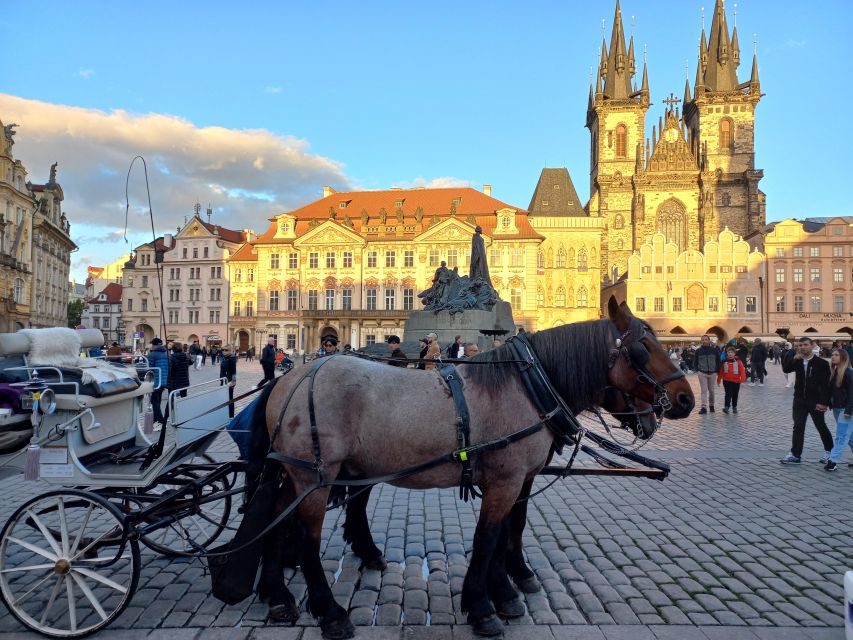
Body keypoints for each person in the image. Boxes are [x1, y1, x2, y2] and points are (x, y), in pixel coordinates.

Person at [780, 337, 834, 464]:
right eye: (800, 345)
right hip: (799, 399)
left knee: (821, 426)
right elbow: (786, 369)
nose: (802, 347)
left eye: (805, 344)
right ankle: (795, 454)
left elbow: (826, 386)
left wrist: (823, 402)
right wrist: (793, 358)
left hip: (815, 400)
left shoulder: (822, 363)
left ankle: (830, 452)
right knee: (798, 426)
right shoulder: (797, 361)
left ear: (812, 346)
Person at [825, 348, 853, 471]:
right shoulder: (835, 372)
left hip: (846, 410)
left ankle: (833, 460)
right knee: (850, 436)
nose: (833, 357)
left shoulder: (849, 372)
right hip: (837, 409)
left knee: (841, 436)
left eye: (836, 355)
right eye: (832, 355)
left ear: (843, 357)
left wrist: (849, 410)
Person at [163, 342, 191, 424]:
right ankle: (183, 417)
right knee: (183, 399)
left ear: (173, 349)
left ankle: (165, 418)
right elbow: (191, 362)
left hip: (174, 382)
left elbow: (170, 369)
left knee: (170, 400)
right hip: (184, 382)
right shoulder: (185, 356)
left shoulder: (172, 358)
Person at [693, 334, 720, 415]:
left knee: (711, 390)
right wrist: (697, 370)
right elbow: (695, 362)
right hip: (702, 373)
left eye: (706, 339)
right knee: (703, 390)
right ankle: (703, 407)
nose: (704, 341)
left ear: (709, 340)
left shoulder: (714, 350)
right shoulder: (698, 351)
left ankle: (711, 405)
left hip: (712, 373)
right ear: (701, 341)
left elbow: (718, 361)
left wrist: (716, 371)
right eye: (703, 339)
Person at [147, 338, 170, 427]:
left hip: (156, 382)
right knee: (157, 399)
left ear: (154, 345)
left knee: (154, 401)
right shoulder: (166, 353)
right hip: (164, 381)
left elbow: (149, 368)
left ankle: (160, 420)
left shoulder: (152, 355)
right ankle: (155, 419)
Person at [717, 346, 746, 414]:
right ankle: (726, 407)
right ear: (727, 353)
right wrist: (718, 380)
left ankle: (734, 407)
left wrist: (743, 381)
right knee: (728, 394)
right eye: (729, 352)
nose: (730, 354)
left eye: (731, 352)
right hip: (727, 381)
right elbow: (721, 372)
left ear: (734, 353)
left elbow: (742, 371)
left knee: (735, 394)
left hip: (736, 382)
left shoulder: (739, 362)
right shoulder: (724, 362)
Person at [219, 344, 238, 418]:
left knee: (230, 398)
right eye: (223, 350)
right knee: (224, 397)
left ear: (230, 351)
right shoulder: (224, 357)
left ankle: (231, 415)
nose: (224, 351)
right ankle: (225, 414)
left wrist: (233, 381)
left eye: (226, 350)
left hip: (229, 381)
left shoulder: (232, 358)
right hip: (223, 380)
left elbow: (234, 371)